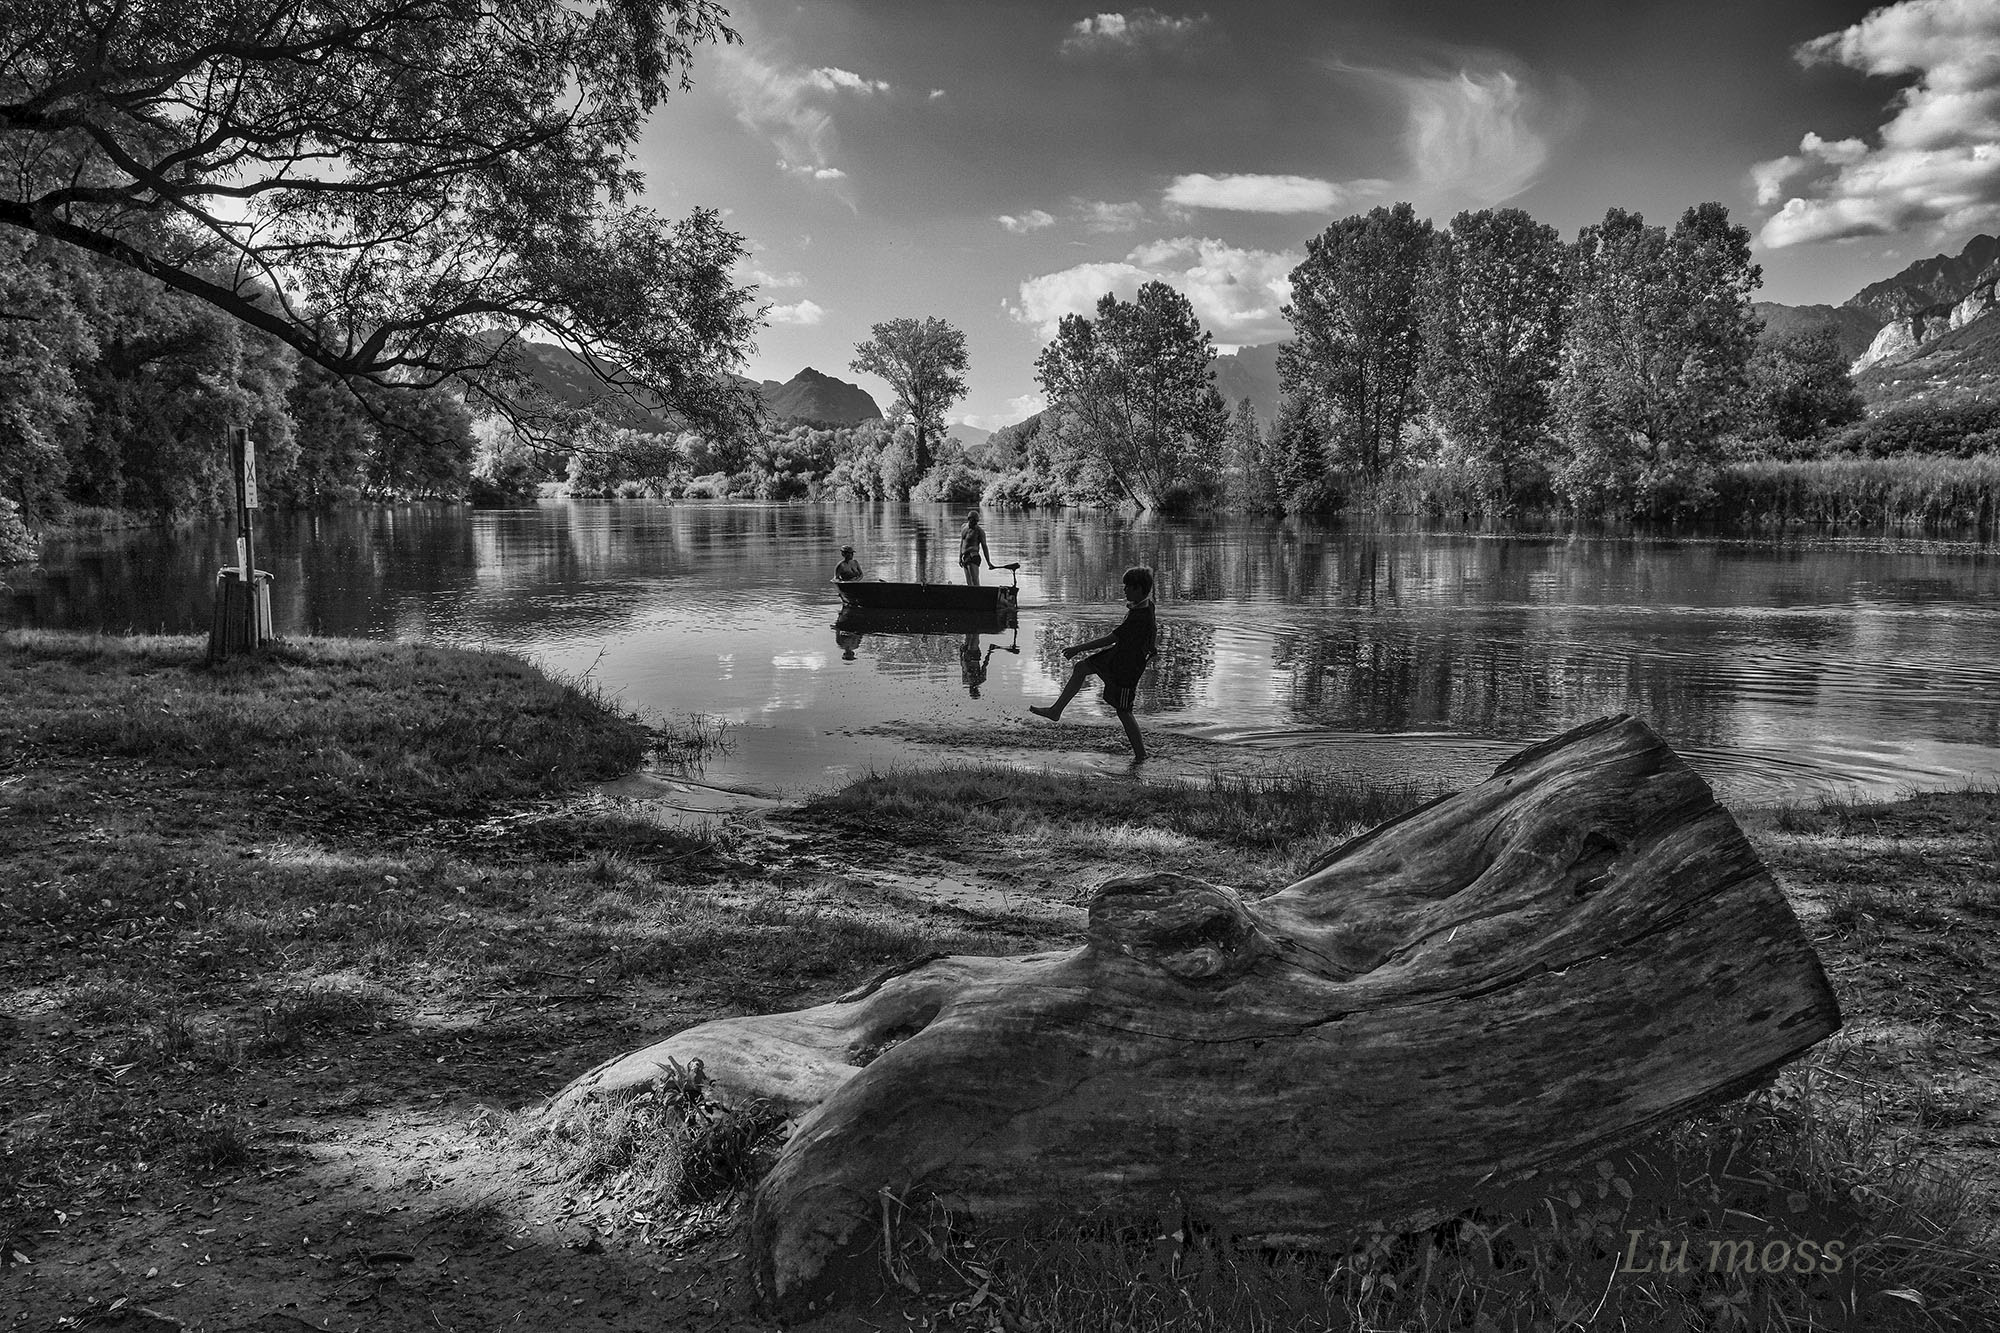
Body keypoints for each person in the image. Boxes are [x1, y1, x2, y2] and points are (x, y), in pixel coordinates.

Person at [1029, 565, 1156, 762]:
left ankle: (1141, 755)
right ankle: (1056, 711)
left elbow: (1111, 638)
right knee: (1081, 668)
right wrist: (1152, 647)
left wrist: (1078, 648)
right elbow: (1151, 628)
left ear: (1138, 588)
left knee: (1124, 711)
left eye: (1127, 587)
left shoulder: (1140, 616)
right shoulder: (1145, 605)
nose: (1124, 590)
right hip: (1118, 657)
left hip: (1127, 667)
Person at [958, 509, 993, 586]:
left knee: (975, 582)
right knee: (969, 584)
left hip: (973, 557)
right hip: (965, 557)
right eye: (974, 521)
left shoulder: (979, 531)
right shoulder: (963, 527)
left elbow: (984, 547)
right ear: (969, 519)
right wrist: (960, 557)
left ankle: (979, 593)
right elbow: (962, 543)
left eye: (977, 521)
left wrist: (988, 562)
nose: (975, 523)